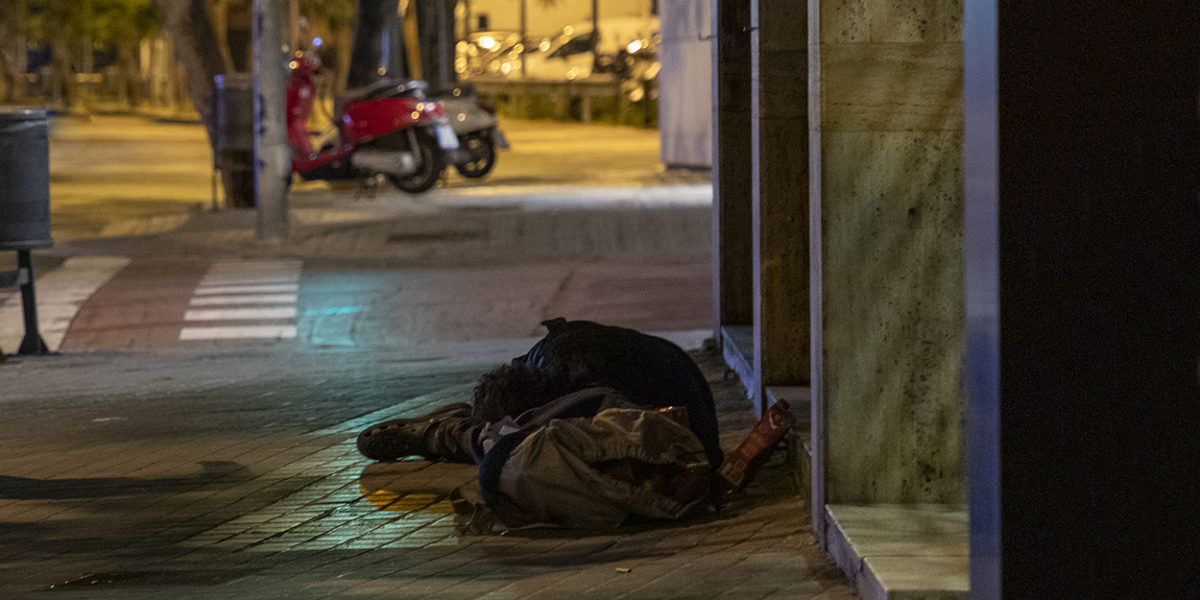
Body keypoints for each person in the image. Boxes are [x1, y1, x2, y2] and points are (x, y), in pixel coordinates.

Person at [356, 318, 723, 469]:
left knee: (517, 449)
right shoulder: (554, 362)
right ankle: (452, 429)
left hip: (685, 449)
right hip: (700, 440)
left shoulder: (579, 386)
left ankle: (450, 434)